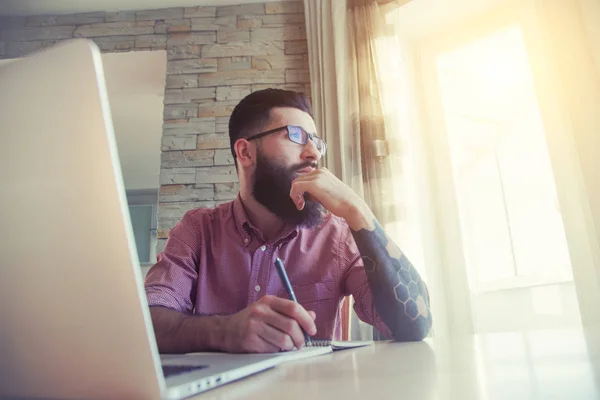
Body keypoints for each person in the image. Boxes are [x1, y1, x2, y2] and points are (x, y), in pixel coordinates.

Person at [145, 89, 432, 354]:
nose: (313, 153)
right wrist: (224, 331)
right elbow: (147, 323)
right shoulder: (198, 230)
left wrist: (358, 211)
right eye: (296, 135)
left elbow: (414, 325)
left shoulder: (338, 236)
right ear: (245, 152)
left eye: (317, 143)